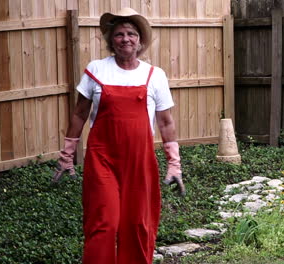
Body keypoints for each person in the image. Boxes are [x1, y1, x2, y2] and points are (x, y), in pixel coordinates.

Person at [51, 7, 185, 264]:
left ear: (140, 40)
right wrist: (67, 156)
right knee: (104, 222)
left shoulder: (154, 75)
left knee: (137, 224)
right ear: (111, 40)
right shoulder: (96, 70)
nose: (126, 39)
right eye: (120, 34)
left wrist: (174, 164)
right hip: (103, 160)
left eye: (132, 34)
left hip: (140, 162)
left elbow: (166, 122)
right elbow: (79, 115)